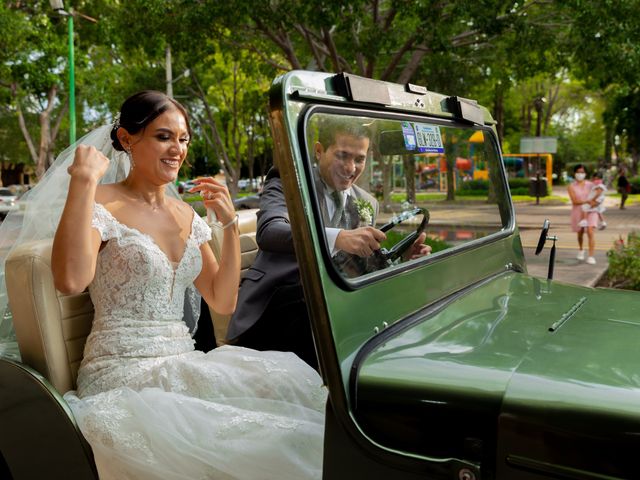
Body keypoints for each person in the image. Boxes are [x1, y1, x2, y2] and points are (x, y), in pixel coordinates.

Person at [27, 91, 324, 479]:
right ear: (127, 139)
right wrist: (83, 181)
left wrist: (230, 225)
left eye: (183, 139)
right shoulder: (101, 201)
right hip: (122, 373)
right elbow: (70, 280)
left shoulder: (186, 213)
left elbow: (222, 299)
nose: (177, 149)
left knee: (291, 387)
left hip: (183, 360)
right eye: (163, 137)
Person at [227, 118, 430, 370]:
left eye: (359, 159)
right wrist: (338, 238)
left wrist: (400, 259)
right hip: (278, 307)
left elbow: (358, 266)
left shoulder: (366, 203)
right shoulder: (287, 180)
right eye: (342, 155)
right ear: (319, 150)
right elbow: (270, 231)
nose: (350, 167)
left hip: (334, 310)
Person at [568, 164, 598, 265]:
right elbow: (575, 201)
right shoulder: (571, 186)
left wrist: (594, 203)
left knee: (590, 231)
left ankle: (591, 256)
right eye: (578, 172)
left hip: (591, 211)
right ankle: (581, 249)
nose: (580, 174)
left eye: (582, 172)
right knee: (580, 232)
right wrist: (587, 201)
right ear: (574, 173)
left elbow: (598, 195)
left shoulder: (591, 185)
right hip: (578, 211)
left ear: (585, 173)